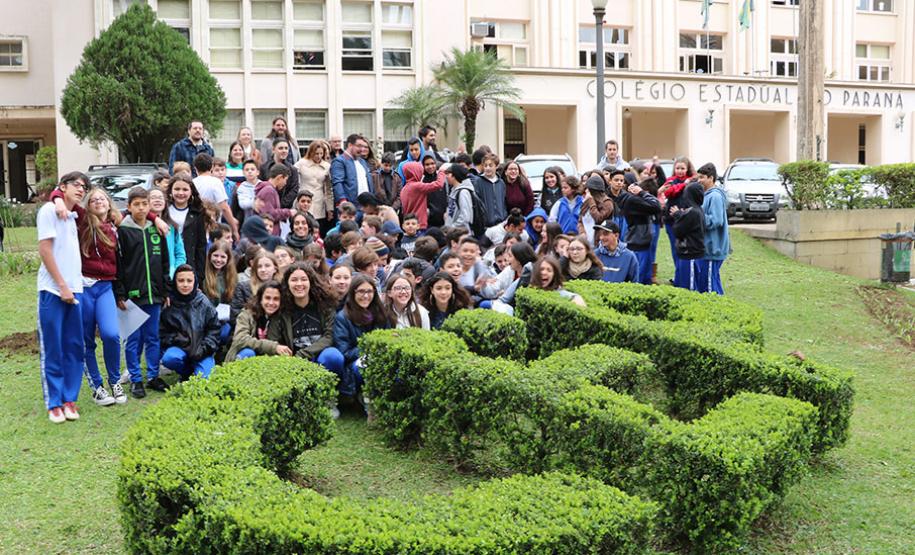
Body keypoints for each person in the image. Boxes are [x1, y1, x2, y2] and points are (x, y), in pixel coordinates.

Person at [37, 172, 88, 422]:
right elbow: (45, 250)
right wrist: (61, 285)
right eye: (76, 185)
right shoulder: (49, 210)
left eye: (84, 186)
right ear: (62, 187)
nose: (81, 189)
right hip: (53, 290)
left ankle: (70, 399)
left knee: (74, 346)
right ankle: (54, 402)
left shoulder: (74, 215)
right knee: (53, 346)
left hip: (75, 289)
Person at [116, 186, 170, 398]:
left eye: (144, 204)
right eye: (136, 204)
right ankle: (136, 379)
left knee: (153, 337)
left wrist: (165, 290)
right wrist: (120, 293)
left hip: (154, 294)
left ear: (149, 206)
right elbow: (118, 265)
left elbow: (165, 262)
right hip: (132, 296)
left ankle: (153, 376)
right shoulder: (123, 231)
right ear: (129, 207)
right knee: (133, 339)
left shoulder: (156, 229)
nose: (140, 208)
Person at [269, 263, 347, 406]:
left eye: (303, 279)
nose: (299, 284)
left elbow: (329, 337)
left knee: (333, 356)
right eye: (294, 280)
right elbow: (273, 340)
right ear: (287, 283)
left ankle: (329, 398)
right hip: (293, 360)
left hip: (319, 357)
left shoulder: (325, 305)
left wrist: (304, 354)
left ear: (311, 281)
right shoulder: (281, 309)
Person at [333, 274, 391, 404]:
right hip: (354, 363)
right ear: (353, 292)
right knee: (366, 365)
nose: (365, 296)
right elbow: (344, 352)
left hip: (378, 356)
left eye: (369, 291)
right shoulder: (342, 318)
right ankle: (364, 396)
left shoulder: (380, 313)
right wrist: (370, 348)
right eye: (361, 291)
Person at [612, 175, 662, 285]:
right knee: (639, 278)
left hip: (639, 242)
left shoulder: (630, 200)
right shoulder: (633, 201)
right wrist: (642, 193)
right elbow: (657, 206)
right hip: (638, 244)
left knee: (643, 278)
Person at [227, 280, 293, 362]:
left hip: (271, 362)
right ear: (260, 299)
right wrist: (273, 347)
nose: (271, 303)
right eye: (267, 298)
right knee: (248, 353)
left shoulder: (282, 318)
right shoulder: (246, 315)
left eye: (276, 299)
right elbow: (240, 339)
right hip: (247, 356)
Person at [167, 173, 210, 284]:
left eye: (185, 189)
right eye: (177, 189)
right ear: (171, 191)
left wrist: (200, 275)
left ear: (191, 191)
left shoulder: (197, 213)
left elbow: (201, 245)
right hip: (168, 262)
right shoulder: (164, 211)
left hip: (189, 263)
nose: (181, 193)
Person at [659, 157, 696, 285]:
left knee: (686, 249)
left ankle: (684, 276)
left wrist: (688, 182)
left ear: (687, 168)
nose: (680, 171)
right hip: (671, 220)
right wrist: (683, 184)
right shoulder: (670, 180)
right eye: (678, 168)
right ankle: (678, 275)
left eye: (683, 168)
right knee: (675, 249)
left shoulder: (692, 180)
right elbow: (669, 192)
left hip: (687, 219)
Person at [696, 163, 729, 295]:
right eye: (698, 177)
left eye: (702, 177)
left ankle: (716, 311)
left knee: (709, 287)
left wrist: (697, 217)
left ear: (711, 178)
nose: (699, 180)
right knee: (712, 280)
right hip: (707, 247)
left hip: (712, 248)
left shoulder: (714, 196)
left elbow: (716, 220)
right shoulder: (707, 195)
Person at [193, 153, 240, 241]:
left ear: (195, 169)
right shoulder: (216, 182)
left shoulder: (192, 183)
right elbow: (224, 207)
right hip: (213, 226)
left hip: (195, 226)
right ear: (211, 167)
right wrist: (234, 229)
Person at [671, 182, 706, 291]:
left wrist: (677, 215)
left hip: (690, 254)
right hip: (691, 253)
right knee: (685, 285)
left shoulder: (692, 212)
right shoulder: (698, 210)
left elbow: (678, 231)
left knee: (689, 288)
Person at [202, 240, 237, 345]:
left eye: (222, 257)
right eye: (215, 256)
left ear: (228, 259)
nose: (218, 260)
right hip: (206, 318)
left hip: (224, 319)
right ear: (210, 256)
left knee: (224, 333)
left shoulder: (232, 278)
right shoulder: (203, 275)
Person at [230, 249, 278, 324]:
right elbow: (234, 317)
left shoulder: (280, 288)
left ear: (275, 269)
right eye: (259, 266)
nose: (263, 270)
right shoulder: (243, 287)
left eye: (267, 266)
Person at [295, 141, 334, 230]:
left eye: (321, 153)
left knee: (318, 228)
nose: (319, 156)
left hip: (319, 201)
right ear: (311, 152)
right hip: (303, 199)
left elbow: (328, 189)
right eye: (316, 153)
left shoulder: (327, 166)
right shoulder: (301, 163)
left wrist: (329, 208)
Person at [149, 188, 187, 280]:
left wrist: (175, 271)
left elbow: (180, 254)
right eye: (153, 198)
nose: (157, 200)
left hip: (170, 276)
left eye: (160, 198)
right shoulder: (143, 226)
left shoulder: (172, 226)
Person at [400, 161, 445, 231]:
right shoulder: (417, 186)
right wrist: (441, 172)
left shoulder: (404, 189)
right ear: (416, 172)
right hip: (419, 225)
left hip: (410, 226)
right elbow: (439, 184)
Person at [331, 134, 372, 210]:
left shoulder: (362, 162)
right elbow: (337, 182)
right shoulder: (339, 161)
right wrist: (342, 201)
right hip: (349, 208)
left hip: (365, 207)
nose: (362, 149)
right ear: (350, 145)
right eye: (359, 146)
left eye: (363, 146)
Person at [255, 164, 296, 237]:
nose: (285, 183)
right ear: (279, 177)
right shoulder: (269, 191)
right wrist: (288, 212)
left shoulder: (270, 190)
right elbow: (269, 215)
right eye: (285, 180)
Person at [259, 139, 301, 210]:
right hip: (267, 207)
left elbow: (294, 189)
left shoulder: (293, 169)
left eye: (286, 148)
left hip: (285, 208)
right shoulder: (264, 168)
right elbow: (260, 186)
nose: (284, 151)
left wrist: (281, 205)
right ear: (273, 149)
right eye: (280, 148)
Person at [578, 174, 615, 244]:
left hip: (599, 241)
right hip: (585, 241)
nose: (586, 192)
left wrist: (591, 202)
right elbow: (580, 220)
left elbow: (598, 219)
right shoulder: (587, 201)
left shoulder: (607, 203)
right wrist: (582, 232)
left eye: (588, 190)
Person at [473, 153, 508, 227]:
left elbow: (503, 202)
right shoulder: (478, 182)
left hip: (501, 224)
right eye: (485, 165)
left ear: (497, 166)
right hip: (485, 225)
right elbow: (477, 204)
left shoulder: (501, 183)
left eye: (490, 165)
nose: (487, 168)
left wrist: (504, 217)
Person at [445, 164, 476, 233]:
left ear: (454, 176)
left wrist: (452, 227)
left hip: (461, 233)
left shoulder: (463, 192)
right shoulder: (454, 190)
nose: (446, 177)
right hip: (454, 233)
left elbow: (465, 217)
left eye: (448, 174)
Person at [421, 154, 449, 228]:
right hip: (429, 221)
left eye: (432, 163)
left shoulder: (441, 178)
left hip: (443, 219)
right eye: (427, 164)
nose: (430, 166)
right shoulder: (421, 180)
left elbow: (447, 195)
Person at [232, 159, 260, 227]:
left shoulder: (263, 185)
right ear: (243, 173)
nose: (250, 171)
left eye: (252, 169)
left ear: (258, 172)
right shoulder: (242, 187)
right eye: (247, 170)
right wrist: (254, 203)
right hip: (248, 222)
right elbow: (242, 204)